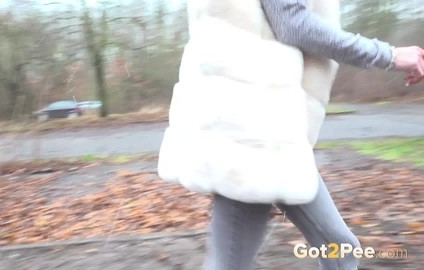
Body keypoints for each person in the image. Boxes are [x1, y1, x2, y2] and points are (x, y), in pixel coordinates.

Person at [157, 0, 424, 269]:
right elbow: (293, 24)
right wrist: (388, 55)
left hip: (263, 127)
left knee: (339, 249)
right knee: (232, 263)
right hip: (253, 131)